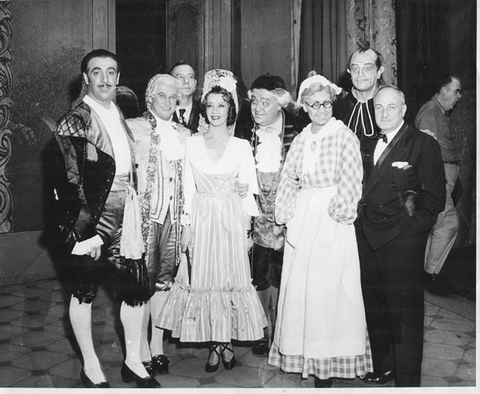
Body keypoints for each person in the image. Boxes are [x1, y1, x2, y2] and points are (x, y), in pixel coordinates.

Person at [51, 49, 159, 388]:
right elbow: (66, 181)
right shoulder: (75, 119)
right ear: (86, 78)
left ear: (118, 76)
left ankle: (132, 362)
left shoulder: (120, 111)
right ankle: (91, 366)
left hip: (126, 216)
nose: (105, 78)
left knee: (135, 291)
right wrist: (84, 233)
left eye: (111, 71)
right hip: (93, 221)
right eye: (96, 72)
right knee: (84, 293)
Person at [157, 69, 267, 373]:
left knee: (230, 279)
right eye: (210, 106)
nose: (215, 112)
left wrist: (247, 232)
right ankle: (214, 344)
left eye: (221, 106)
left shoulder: (242, 146)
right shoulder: (192, 144)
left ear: (230, 110)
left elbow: (249, 192)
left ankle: (226, 342)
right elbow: (188, 191)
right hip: (203, 218)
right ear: (203, 110)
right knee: (205, 279)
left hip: (232, 218)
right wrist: (187, 228)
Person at [269, 72, 372, 388]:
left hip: (331, 218)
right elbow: (288, 177)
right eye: (313, 105)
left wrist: (337, 213)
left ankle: (328, 361)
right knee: (303, 289)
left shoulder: (344, 137)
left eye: (325, 103)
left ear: (332, 103)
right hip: (304, 217)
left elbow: (352, 179)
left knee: (329, 292)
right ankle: (306, 356)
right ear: (305, 109)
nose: (320, 110)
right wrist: (286, 211)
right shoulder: (301, 139)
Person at [356, 86, 446, 386]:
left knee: (405, 315)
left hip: (401, 243)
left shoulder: (422, 143)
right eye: (378, 108)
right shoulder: (366, 143)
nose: (384, 113)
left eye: (391, 108)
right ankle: (383, 366)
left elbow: (434, 199)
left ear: (403, 110)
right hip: (368, 239)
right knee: (377, 307)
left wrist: (412, 236)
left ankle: (408, 382)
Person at [127, 74, 190, 377]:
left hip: (174, 218)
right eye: (160, 96)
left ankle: (157, 346)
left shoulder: (186, 134)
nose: (167, 102)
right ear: (149, 98)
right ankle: (138, 350)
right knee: (141, 284)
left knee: (165, 281)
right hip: (143, 218)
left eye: (172, 96)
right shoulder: (133, 128)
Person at [243, 74, 307, 357]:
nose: (257, 107)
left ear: (280, 103)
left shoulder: (299, 131)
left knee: (285, 276)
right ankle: (261, 331)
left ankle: (283, 332)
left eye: (265, 102)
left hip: (288, 218)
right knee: (258, 274)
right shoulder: (245, 130)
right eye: (254, 100)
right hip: (255, 218)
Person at [414, 74, 462, 296]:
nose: (458, 97)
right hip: (439, 174)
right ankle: (430, 275)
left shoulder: (439, 113)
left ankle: (425, 274)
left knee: (438, 225)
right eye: (456, 91)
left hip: (447, 174)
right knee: (449, 222)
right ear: (443, 90)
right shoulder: (430, 112)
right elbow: (427, 151)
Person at [334, 43, 385, 149]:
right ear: (349, 73)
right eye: (355, 69)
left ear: (379, 72)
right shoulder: (336, 107)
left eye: (367, 68)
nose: (360, 74)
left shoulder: (391, 107)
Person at [170, 60, 201, 133]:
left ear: (195, 83)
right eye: (180, 77)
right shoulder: (163, 110)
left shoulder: (204, 111)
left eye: (190, 77)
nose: (186, 81)